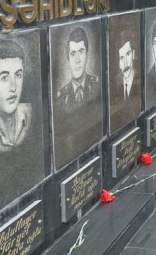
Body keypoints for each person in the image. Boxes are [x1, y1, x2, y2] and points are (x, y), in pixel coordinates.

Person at [53, 26, 102, 167]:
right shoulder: (60, 100)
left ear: (87, 55)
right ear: (67, 60)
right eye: (73, 54)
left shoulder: (98, 86)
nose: (78, 59)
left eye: (81, 51)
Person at [111, 29, 140, 128]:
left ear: (133, 54)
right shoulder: (113, 84)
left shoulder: (141, 79)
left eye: (128, 54)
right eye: (121, 58)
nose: (125, 63)